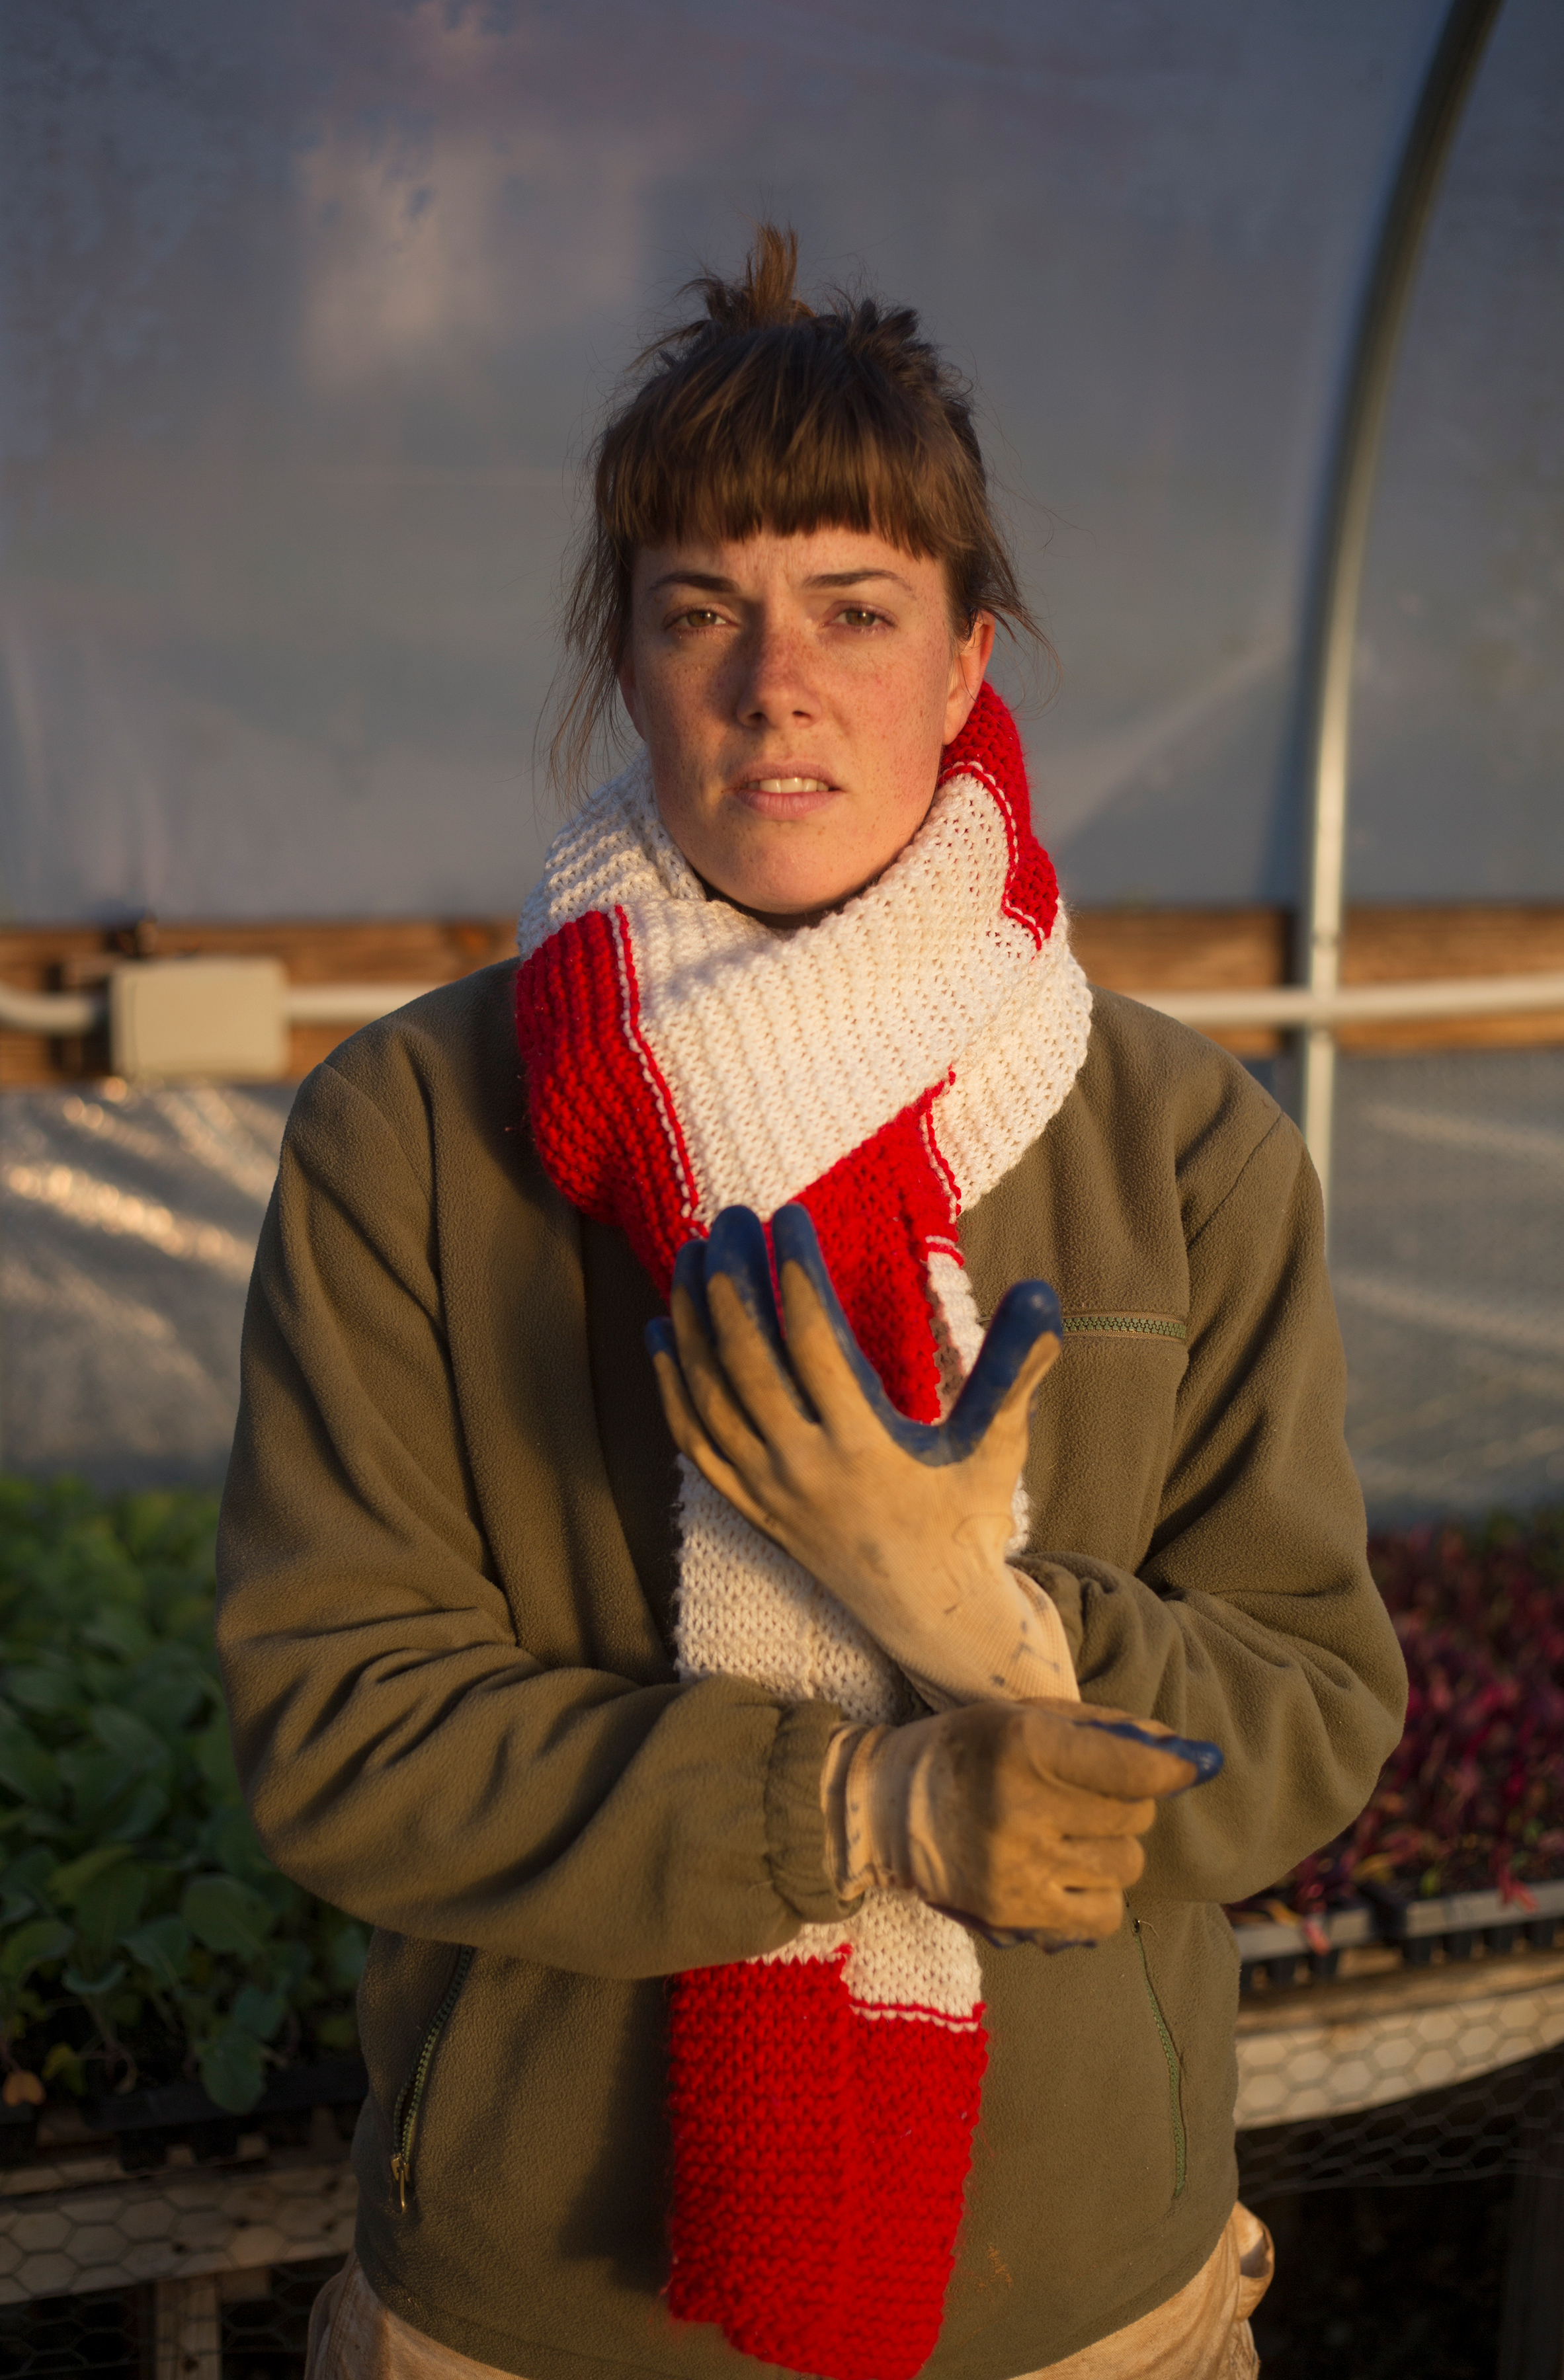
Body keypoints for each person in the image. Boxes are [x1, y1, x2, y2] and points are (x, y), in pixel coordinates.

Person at [216, 226, 1406, 2380]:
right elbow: (342, 1731)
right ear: (635, 664)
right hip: (547, 2319)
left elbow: (1311, 1708)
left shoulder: (1179, 1143)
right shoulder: (410, 1132)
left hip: (1086, 2313)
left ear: (965, 668)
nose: (778, 682)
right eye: (705, 615)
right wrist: (869, 1813)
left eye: (855, 610)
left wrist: (998, 1625)